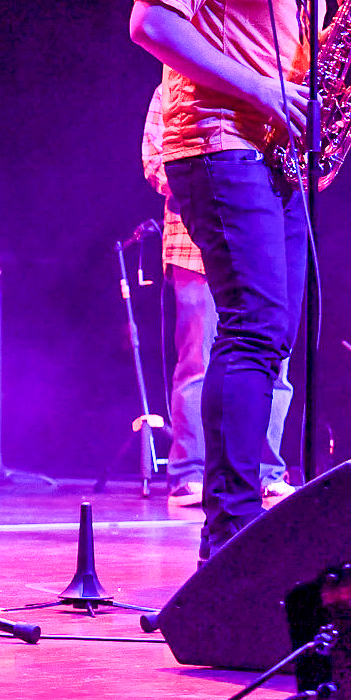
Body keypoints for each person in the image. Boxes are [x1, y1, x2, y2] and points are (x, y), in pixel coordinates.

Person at [129, 0, 351, 561]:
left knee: (273, 332)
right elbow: (150, 19)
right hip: (217, 144)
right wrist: (260, 87)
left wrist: (339, 40)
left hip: (271, 151)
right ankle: (229, 528)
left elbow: (280, 54)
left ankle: (244, 516)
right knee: (252, 327)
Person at [140, 87, 292, 507]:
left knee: (272, 359)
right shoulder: (172, 90)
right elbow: (156, 163)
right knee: (198, 362)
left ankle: (266, 471)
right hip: (196, 243)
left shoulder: (266, 89)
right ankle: (190, 472)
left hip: (260, 242)